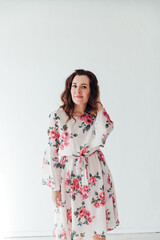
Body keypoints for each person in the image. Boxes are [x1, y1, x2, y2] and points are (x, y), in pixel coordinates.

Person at [41, 69, 120, 240]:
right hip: (67, 175)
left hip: (94, 172)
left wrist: (99, 107)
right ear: (69, 89)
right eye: (74, 86)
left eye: (84, 86)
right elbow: (51, 152)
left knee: (97, 227)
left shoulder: (96, 115)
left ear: (92, 90)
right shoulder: (58, 116)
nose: (78, 91)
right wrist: (54, 187)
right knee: (69, 225)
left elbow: (106, 131)